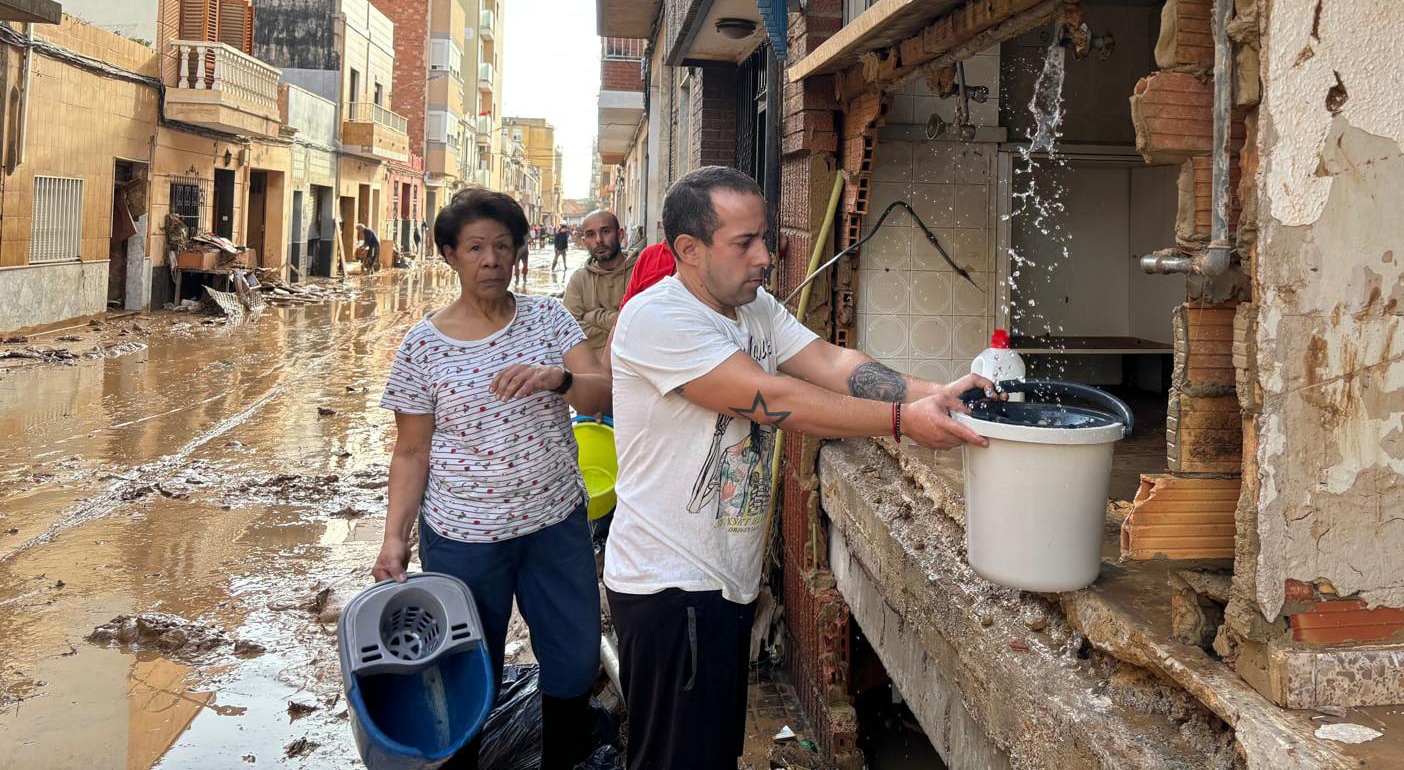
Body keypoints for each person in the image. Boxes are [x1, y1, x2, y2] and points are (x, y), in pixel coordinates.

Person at [605, 166, 992, 770]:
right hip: (671, 589)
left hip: (723, 582)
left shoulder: (752, 307)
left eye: (765, 238)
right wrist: (900, 420)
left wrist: (932, 393)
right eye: (744, 243)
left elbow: (832, 362)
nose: (765, 256)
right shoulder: (658, 319)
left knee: (710, 755)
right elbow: (774, 399)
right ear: (689, 249)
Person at [373, 188, 610, 770]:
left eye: (503, 246)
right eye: (476, 247)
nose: (491, 259)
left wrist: (558, 379)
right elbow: (410, 452)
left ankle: (563, 757)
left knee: (575, 658)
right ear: (450, 255)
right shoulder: (422, 347)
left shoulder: (548, 317)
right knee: (466, 665)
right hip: (463, 538)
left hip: (554, 524)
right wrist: (394, 537)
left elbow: (602, 392)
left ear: (519, 252)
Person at [562, 210, 636, 354]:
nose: (599, 240)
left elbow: (642, 327)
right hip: (594, 369)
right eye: (591, 235)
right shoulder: (579, 280)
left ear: (620, 235)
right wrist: (621, 330)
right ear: (584, 242)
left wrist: (592, 316)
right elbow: (569, 331)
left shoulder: (641, 271)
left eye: (606, 231)